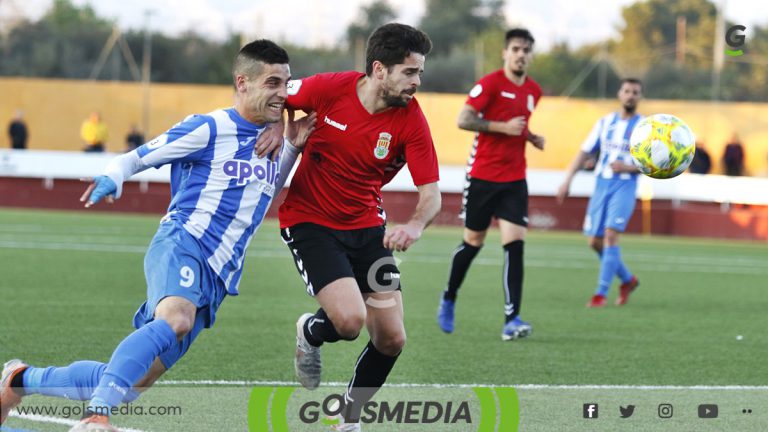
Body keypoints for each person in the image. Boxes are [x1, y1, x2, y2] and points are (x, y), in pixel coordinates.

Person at [0, 40, 316, 432]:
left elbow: (262, 194)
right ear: (242, 82)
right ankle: (97, 414)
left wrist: (290, 147)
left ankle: (19, 380)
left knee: (135, 382)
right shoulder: (209, 127)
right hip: (183, 243)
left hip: (219, 274)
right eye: (272, 82)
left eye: (286, 83)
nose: (283, 93)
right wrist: (113, 176)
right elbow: (137, 156)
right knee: (177, 318)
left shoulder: (274, 141)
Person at [280, 23, 440, 429]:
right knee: (349, 323)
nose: (417, 82)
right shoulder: (328, 89)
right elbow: (273, 94)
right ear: (379, 69)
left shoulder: (411, 121)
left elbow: (431, 193)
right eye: (409, 72)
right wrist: (273, 129)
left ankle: (348, 418)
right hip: (309, 222)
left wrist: (416, 225)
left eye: (420, 72)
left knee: (392, 339)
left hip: (368, 229)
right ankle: (311, 332)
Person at [436, 28, 545, 341]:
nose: (521, 54)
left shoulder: (533, 91)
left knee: (515, 245)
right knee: (473, 242)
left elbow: (517, 125)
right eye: (516, 49)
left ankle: (512, 319)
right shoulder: (490, 83)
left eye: (526, 49)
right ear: (505, 53)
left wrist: (529, 136)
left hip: (515, 179)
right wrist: (503, 127)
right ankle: (449, 296)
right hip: (482, 176)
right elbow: (464, 120)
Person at [556, 78, 644, 308]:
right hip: (602, 184)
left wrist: (629, 167)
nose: (630, 95)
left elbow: (654, 165)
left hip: (625, 185)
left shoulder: (645, 128)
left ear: (639, 97)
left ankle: (600, 294)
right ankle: (627, 280)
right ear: (619, 94)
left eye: (635, 92)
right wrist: (567, 180)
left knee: (610, 236)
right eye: (627, 91)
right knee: (594, 242)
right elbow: (584, 152)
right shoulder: (605, 123)